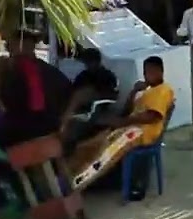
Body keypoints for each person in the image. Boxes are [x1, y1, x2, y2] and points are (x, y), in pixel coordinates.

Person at [66, 56, 176, 201]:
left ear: (160, 71)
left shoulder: (164, 90)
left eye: (150, 72)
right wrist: (133, 93)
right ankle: (66, 177)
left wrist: (123, 122)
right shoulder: (147, 91)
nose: (146, 75)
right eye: (145, 72)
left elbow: (152, 117)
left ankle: (76, 186)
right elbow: (127, 110)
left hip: (141, 132)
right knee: (87, 146)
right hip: (128, 127)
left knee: (104, 155)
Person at [0, 27, 74, 148]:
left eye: (26, 43)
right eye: (16, 43)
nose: (21, 47)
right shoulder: (4, 68)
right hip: (17, 129)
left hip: (41, 128)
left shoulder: (47, 71)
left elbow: (66, 93)